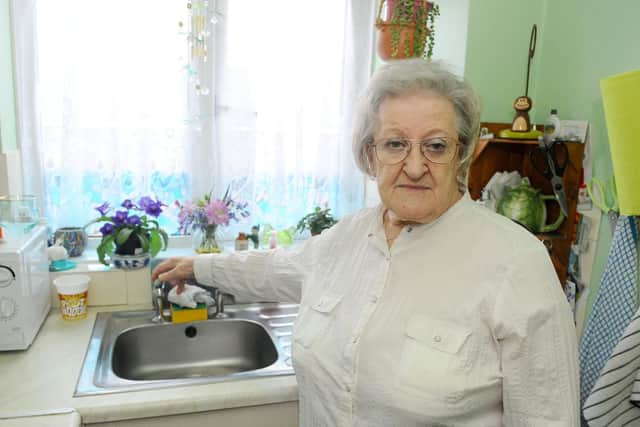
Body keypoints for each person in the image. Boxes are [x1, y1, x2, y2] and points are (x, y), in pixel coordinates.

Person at [152, 59, 579, 426]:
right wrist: (199, 268)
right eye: (395, 144)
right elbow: (279, 268)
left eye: (435, 145)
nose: (414, 166)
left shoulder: (515, 263)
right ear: (370, 154)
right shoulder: (347, 238)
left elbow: (546, 416)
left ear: (462, 152)